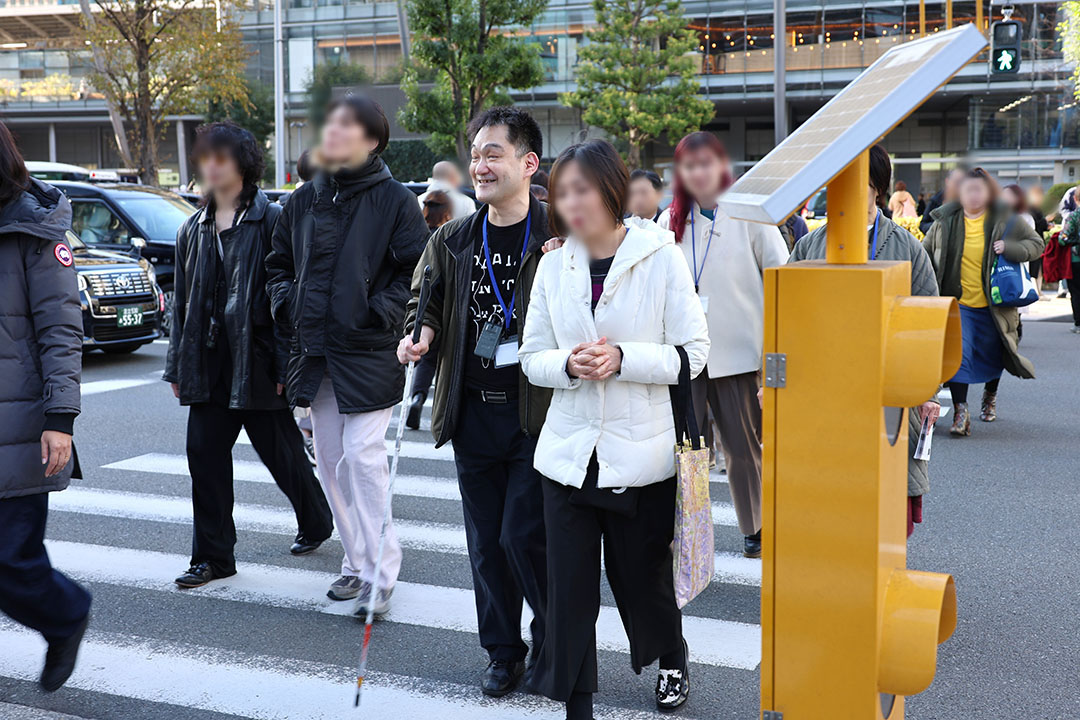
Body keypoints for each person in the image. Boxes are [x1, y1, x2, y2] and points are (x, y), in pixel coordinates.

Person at [519, 140, 709, 718]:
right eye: (562, 191)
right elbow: (531, 357)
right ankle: (578, 707)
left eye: (582, 189)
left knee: (641, 584)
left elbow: (693, 354)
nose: (570, 202)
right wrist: (569, 366)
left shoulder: (661, 256)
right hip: (569, 458)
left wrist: (624, 357)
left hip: (640, 459)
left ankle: (671, 653)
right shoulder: (554, 264)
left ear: (611, 189)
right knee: (569, 595)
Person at [399, 106, 550, 698]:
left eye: (494, 153)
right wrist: (421, 332)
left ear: (528, 163)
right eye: (476, 153)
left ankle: (554, 633)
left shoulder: (557, 233)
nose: (480, 165)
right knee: (486, 543)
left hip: (536, 412)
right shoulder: (454, 238)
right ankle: (502, 651)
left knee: (523, 536)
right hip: (471, 410)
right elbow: (425, 298)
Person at [266, 94, 429, 611]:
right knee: (332, 462)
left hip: (369, 348)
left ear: (372, 140)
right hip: (315, 350)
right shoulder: (304, 198)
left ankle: (381, 572)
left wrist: (374, 311)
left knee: (362, 457)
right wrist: (288, 302)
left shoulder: (396, 200)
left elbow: (416, 274)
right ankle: (355, 563)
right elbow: (278, 264)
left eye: (345, 127)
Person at [163, 122, 334, 589]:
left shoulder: (273, 218)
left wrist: (286, 363)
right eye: (204, 158)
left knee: (279, 452)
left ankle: (317, 518)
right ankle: (213, 558)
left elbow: (290, 298)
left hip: (258, 360)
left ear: (242, 163)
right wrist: (177, 363)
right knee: (203, 452)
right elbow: (181, 304)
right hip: (209, 360)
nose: (210, 166)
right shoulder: (191, 228)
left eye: (220, 157)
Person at [790, 144, 940, 536]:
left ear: (877, 188)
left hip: (888, 385)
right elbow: (789, 320)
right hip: (826, 389)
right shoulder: (810, 245)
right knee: (831, 493)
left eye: (859, 183)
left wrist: (928, 390)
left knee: (888, 498)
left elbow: (927, 320)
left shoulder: (906, 246)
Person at [659, 131, 788, 558]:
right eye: (688, 166)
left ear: (720, 166)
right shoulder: (668, 222)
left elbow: (781, 283)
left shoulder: (751, 214)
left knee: (743, 448)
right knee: (688, 450)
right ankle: (690, 533)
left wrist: (773, 360)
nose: (698, 173)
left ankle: (757, 527)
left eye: (704, 163)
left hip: (739, 354)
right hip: (684, 355)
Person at [0, 122, 90, 692]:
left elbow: (61, 329)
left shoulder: (33, 224)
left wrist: (61, 420)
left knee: (12, 560)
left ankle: (65, 615)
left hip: (19, 423)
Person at [922, 168, 1044, 435]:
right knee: (959, 355)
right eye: (968, 190)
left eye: (979, 190)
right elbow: (923, 255)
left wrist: (1010, 248)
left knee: (995, 353)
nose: (973, 195)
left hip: (994, 304)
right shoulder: (945, 221)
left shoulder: (1004, 220)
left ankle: (990, 395)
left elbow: (1037, 244)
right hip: (958, 304)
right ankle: (960, 412)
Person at [920, 167, 966, 236]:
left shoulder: (969, 203)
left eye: (962, 182)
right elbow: (923, 225)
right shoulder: (936, 200)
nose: (959, 186)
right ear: (947, 181)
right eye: (956, 182)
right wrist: (938, 227)